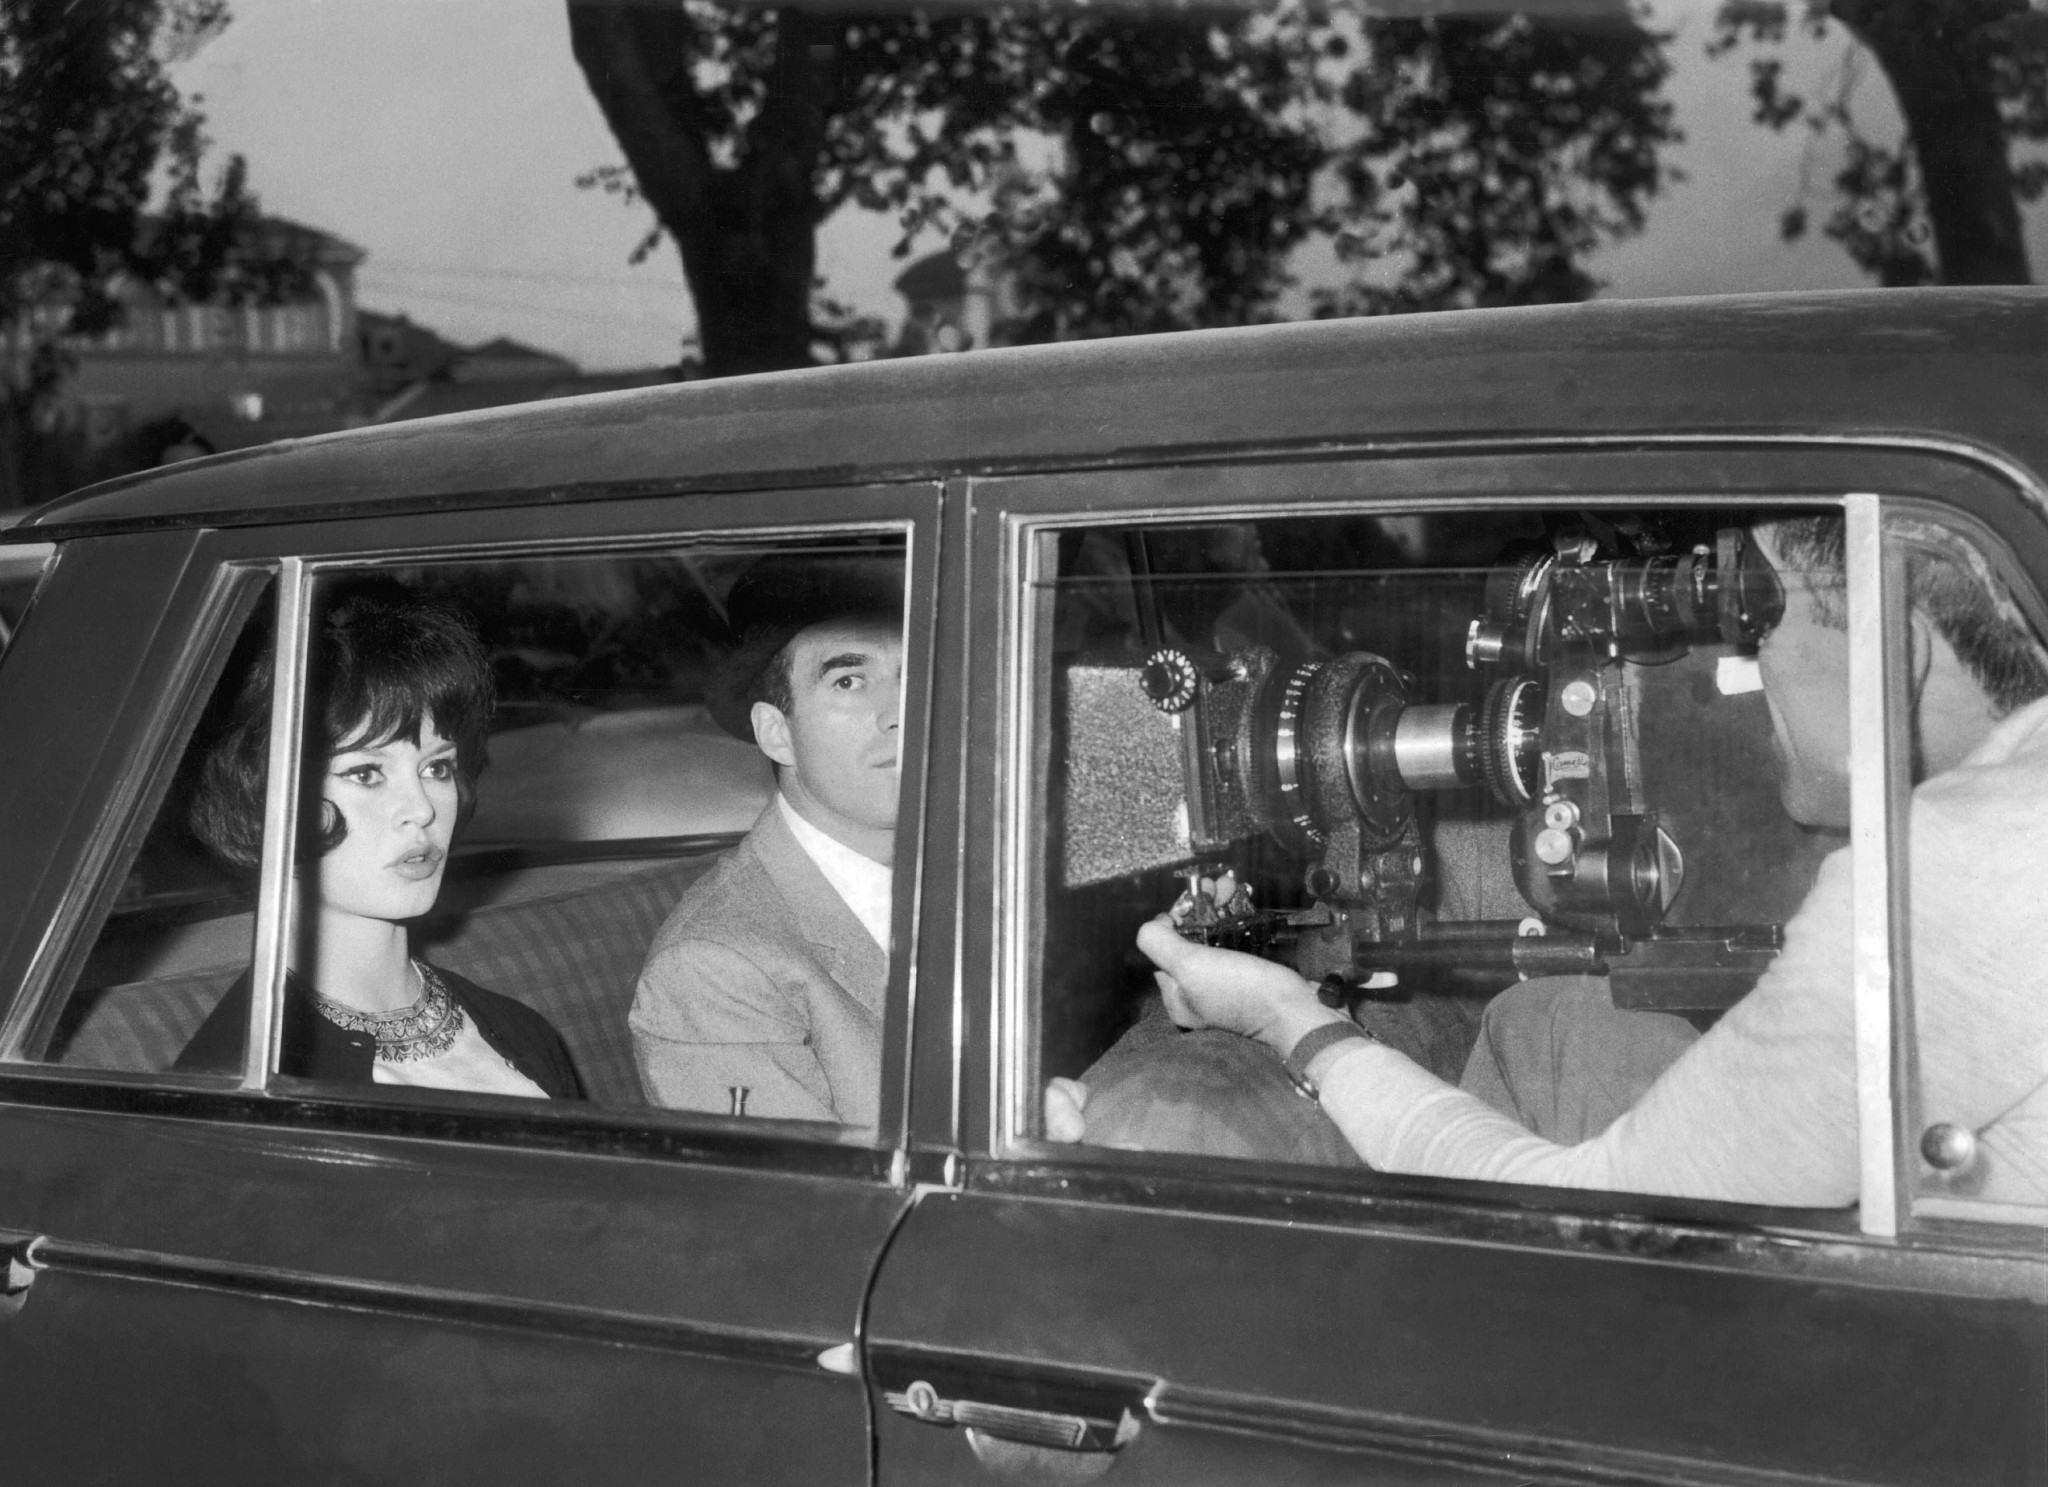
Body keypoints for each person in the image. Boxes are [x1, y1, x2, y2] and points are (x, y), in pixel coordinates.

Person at [1059, 515, 2048, 1207]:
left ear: (1893, 649)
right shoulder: (2005, 797)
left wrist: (1287, 1018)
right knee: (1559, 1022)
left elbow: (1593, 1206)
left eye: (1757, 626)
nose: (1735, 664)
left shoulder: (1950, 880)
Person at [176, 586, 583, 1099]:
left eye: (436, 768)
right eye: (366, 773)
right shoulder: (249, 1085)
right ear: (261, 795)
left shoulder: (523, 1032)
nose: (423, 808)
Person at [630, 553, 903, 1126]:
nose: (901, 714)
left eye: (919, 676)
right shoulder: (713, 969)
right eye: (849, 681)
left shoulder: (983, 882)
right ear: (777, 734)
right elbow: (813, 1187)